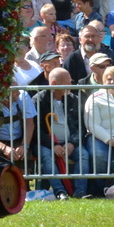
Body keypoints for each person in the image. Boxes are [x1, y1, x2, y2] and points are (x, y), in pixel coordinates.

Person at [42, 68, 87, 196]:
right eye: (67, 83)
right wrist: (53, 145)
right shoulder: (39, 100)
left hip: (71, 142)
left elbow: (81, 127)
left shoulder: (75, 99)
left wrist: (72, 143)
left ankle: (80, 192)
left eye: (71, 82)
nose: (71, 86)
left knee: (83, 155)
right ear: (54, 85)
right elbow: (36, 130)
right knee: (46, 156)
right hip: (47, 144)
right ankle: (60, 192)